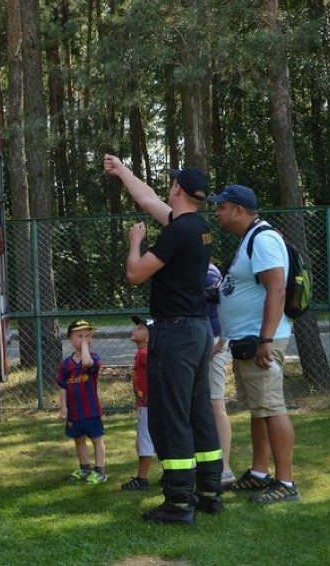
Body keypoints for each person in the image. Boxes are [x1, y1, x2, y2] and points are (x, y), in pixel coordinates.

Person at [104, 155, 223, 525]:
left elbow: (135, 274)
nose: (165, 189)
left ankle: (178, 501)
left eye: (171, 184)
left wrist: (135, 242)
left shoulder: (177, 232)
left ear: (177, 189)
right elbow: (147, 200)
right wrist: (123, 171)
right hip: (199, 328)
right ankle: (208, 493)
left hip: (175, 333)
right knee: (198, 411)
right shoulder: (197, 227)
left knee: (171, 417)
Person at [208, 184, 299, 504]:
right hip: (246, 339)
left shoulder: (263, 239)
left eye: (222, 207)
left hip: (260, 341)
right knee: (259, 409)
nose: (217, 212)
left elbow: (277, 290)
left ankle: (286, 482)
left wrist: (266, 339)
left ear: (239, 210)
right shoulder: (249, 239)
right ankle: (260, 473)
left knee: (272, 408)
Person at [55, 319, 107, 484]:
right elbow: (63, 386)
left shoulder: (93, 358)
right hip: (75, 411)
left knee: (96, 439)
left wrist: (84, 345)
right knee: (78, 440)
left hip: (90, 410)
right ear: (70, 339)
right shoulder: (66, 364)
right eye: (79, 336)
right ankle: (84, 468)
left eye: (86, 336)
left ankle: (100, 471)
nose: (83, 339)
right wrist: (63, 407)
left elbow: (86, 363)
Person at [207, 261, 236, 487]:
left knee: (216, 404)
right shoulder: (190, 267)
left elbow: (226, 304)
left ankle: (225, 468)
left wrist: (222, 341)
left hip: (214, 341)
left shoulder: (208, 272)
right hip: (198, 341)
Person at [121, 315, 155, 491]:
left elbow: (158, 373)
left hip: (148, 406)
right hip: (146, 405)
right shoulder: (141, 353)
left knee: (144, 441)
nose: (135, 330)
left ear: (150, 336)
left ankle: (142, 479)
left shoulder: (145, 354)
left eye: (141, 328)